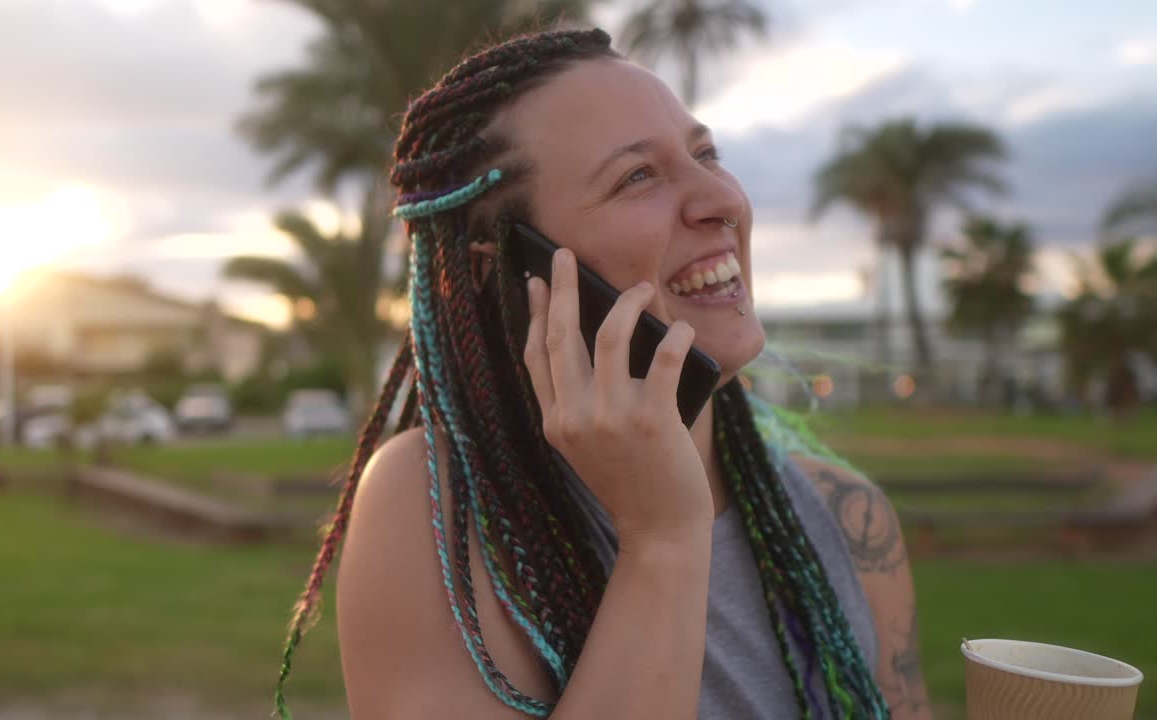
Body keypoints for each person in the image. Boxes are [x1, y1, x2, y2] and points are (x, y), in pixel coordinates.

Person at [274, 28, 932, 720]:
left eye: (706, 154)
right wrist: (663, 540)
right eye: (636, 177)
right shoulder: (436, 512)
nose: (720, 202)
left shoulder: (848, 521)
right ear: (501, 266)